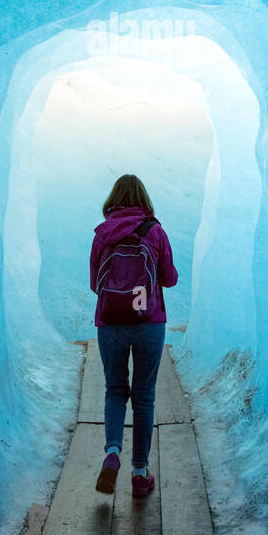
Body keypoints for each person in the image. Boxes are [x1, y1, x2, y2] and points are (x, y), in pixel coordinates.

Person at [89, 174, 178, 498]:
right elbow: (168, 278)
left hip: (110, 323)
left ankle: (112, 452)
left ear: (114, 198)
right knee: (143, 396)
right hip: (148, 322)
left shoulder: (102, 234)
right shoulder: (155, 231)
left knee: (115, 389)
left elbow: (94, 283)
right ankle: (139, 474)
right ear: (143, 199)